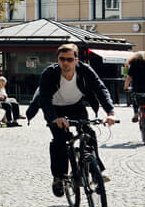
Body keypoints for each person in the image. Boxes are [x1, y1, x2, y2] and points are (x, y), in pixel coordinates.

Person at [36, 43, 115, 198]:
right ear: (58, 60)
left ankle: (96, 174)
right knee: (60, 139)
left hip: (75, 106)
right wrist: (54, 118)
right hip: (55, 108)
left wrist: (110, 112)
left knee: (89, 133)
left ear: (76, 60)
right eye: (62, 59)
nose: (65, 63)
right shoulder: (50, 73)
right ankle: (59, 177)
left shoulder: (85, 70)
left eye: (70, 59)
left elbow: (100, 89)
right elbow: (44, 98)